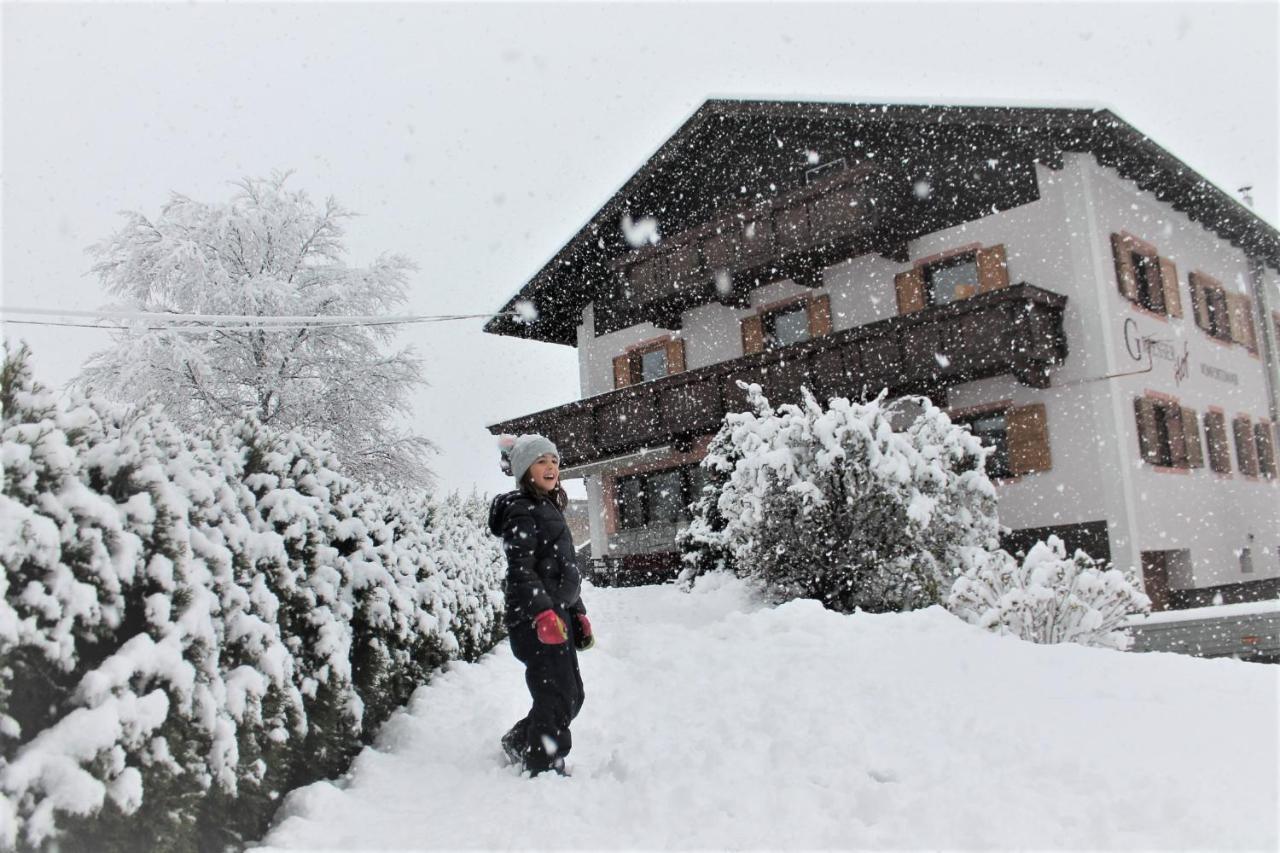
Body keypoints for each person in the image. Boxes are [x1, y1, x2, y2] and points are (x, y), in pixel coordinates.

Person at [487, 433, 594, 776]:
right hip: (534, 619)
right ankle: (543, 762)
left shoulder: (549, 507)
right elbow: (521, 569)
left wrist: (577, 613)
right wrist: (543, 612)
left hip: (555, 614)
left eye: (554, 461)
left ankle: (521, 740)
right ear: (524, 469)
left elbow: (562, 569)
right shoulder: (521, 509)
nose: (550, 467)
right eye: (541, 461)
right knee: (556, 693)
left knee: (571, 694)